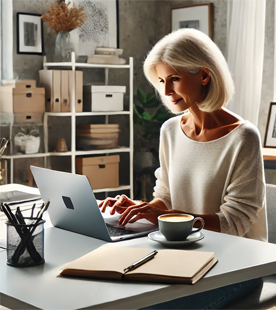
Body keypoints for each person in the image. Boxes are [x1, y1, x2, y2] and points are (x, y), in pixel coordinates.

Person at [99, 28, 267, 309]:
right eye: (162, 80)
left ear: (204, 75)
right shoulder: (170, 131)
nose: (165, 91)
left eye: (174, 79)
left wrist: (168, 216)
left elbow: (234, 223)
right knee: (113, 295)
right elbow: (165, 196)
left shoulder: (243, 137)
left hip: (236, 266)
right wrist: (145, 209)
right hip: (182, 256)